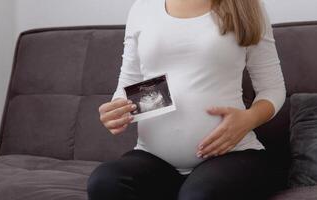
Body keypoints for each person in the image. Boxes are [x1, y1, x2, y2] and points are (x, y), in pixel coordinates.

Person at [87, 0, 286, 199]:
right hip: (154, 159)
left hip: (232, 155)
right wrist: (115, 109)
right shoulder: (142, 8)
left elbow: (272, 88)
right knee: (104, 182)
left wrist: (249, 119)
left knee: (198, 195)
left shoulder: (245, 6)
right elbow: (129, 82)